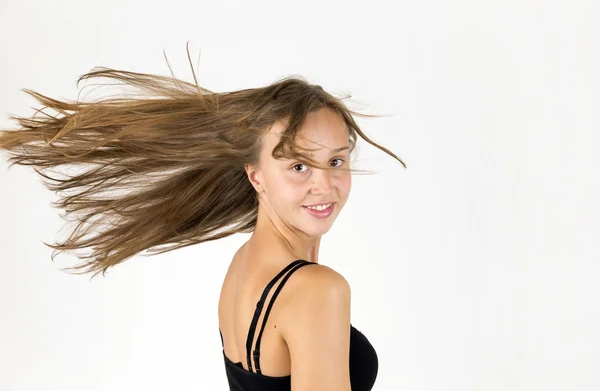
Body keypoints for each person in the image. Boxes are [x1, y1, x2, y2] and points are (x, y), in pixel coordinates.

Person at [0, 50, 406, 390]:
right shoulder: (316, 289)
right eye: (299, 166)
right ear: (255, 175)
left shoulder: (245, 263)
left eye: (336, 160)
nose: (326, 185)